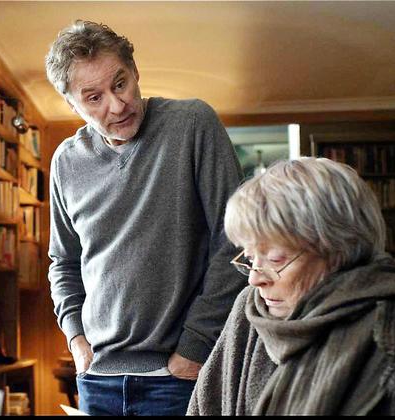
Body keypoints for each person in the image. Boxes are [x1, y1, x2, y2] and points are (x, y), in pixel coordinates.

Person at [45, 20, 246, 416]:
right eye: (94, 98)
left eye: (120, 84)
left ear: (135, 71)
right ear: (72, 105)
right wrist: (76, 339)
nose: (117, 105)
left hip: (179, 377)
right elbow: (63, 262)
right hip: (96, 379)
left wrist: (195, 347)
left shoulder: (192, 124)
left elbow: (236, 240)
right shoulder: (66, 162)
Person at [187, 157, 395, 415]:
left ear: (338, 250)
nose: (255, 279)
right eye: (251, 258)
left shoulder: (390, 332)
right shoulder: (250, 308)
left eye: (275, 259)